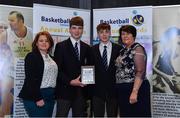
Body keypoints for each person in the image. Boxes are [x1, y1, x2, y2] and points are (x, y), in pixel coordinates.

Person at [54, 16, 92, 117]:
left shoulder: (87, 48)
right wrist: (70, 81)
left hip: (81, 92)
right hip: (64, 91)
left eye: (79, 28)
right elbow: (57, 70)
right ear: (69, 29)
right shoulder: (60, 46)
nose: (77, 31)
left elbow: (88, 68)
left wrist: (87, 80)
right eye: (74, 28)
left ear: (82, 30)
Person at [18, 31, 58, 117]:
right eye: (41, 41)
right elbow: (30, 79)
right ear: (36, 43)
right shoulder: (31, 56)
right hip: (36, 96)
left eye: (46, 41)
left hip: (50, 96)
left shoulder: (53, 59)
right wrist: (38, 98)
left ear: (50, 43)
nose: (44, 43)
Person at [115, 25, 151, 117]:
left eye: (128, 34)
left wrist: (134, 92)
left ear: (133, 36)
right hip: (123, 90)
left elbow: (140, 71)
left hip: (135, 89)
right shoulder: (123, 50)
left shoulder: (137, 48)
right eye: (123, 34)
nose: (125, 36)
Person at [91, 23, 122, 117]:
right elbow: (89, 69)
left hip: (113, 91)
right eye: (101, 32)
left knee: (112, 115)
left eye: (106, 32)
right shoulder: (91, 50)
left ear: (110, 33)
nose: (104, 34)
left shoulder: (119, 49)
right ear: (98, 34)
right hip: (97, 91)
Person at [152, 27, 180, 93]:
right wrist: (167, 77)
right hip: (155, 74)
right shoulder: (159, 46)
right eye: (177, 37)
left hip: (164, 73)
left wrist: (175, 73)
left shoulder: (170, 46)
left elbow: (169, 62)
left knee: (177, 88)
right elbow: (151, 67)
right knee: (167, 91)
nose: (178, 40)